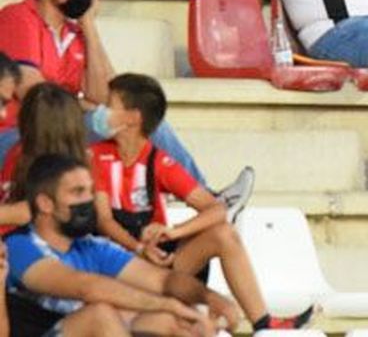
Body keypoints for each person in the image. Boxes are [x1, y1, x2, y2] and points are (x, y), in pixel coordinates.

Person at [88, 72, 295, 332]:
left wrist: (173, 231)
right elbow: (104, 221)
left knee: (224, 233)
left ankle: (263, 325)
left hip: (159, 260)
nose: (100, 111)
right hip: (118, 261)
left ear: (133, 118)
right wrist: (139, 247)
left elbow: (216, 209)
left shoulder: (159, 161)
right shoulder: (96, 156)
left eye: (109, 104)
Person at [6, 153, 247, 337]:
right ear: (45, 204)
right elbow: (86, 288)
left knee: (173, 322)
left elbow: (163, 280)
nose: (89, 201)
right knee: (100, 315)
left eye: (91, 191)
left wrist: (208, 297)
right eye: (78, 192)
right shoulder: (19, 246)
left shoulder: (91, 247)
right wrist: (171, 304)